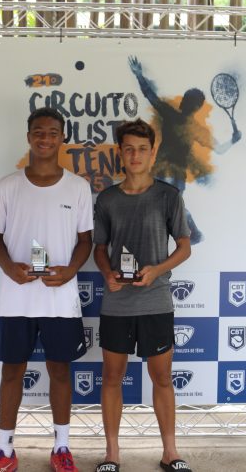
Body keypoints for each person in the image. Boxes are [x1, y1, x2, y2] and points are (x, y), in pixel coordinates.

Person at [0, 107, 93, 472]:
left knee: (59, 371)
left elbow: (86, 241)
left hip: (60, 297)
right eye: (39, 132)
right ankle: (4, 451)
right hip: (17, 297)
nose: (45, 138)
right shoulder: (7, 186)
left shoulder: (78, 187)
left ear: (63, 138)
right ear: (28, 136)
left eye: (53, 132)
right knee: (11, 372)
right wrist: (8, 267)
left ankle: (61, 448)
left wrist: (71, 271)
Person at [93, 119, 193, 472]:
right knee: (111, 378)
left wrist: (157, 269)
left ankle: (170, 453)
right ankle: (112, 454)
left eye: (142, 149)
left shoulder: (169, 196)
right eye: (129, 149)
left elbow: (185, 247)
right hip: (117, 304)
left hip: (156, 302)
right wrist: (107, 273)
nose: (135, 155)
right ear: (120, 153)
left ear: (152, 153)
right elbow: (99, 248)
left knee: (162, 379)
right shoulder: (107, 199)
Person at [128, 55, 240, 244]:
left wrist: (139, 75)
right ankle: (192, 234)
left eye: (186, 100)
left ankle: (190, 234)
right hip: (171, 175)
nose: (183, 102)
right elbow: (220, 149)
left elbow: (150, 96)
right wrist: (233, 141)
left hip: (166, 173)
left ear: (189, 104)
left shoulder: (173, 116)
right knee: (169, 207)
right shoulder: (196, 129)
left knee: (164, 207)